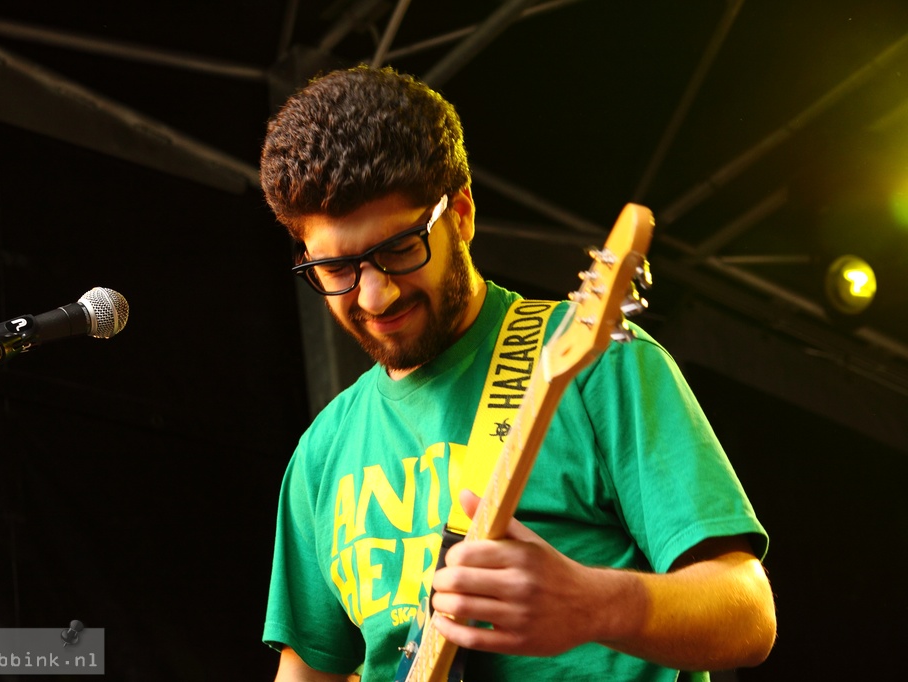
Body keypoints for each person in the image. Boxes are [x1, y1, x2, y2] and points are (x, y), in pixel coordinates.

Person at [260, 65, 776, 682]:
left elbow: (748, 613)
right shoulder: (321, 453)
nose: (373, 295)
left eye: (398, 249)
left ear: (461, 216)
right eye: (337, 267)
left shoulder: (593, 360)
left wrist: (595, 605)